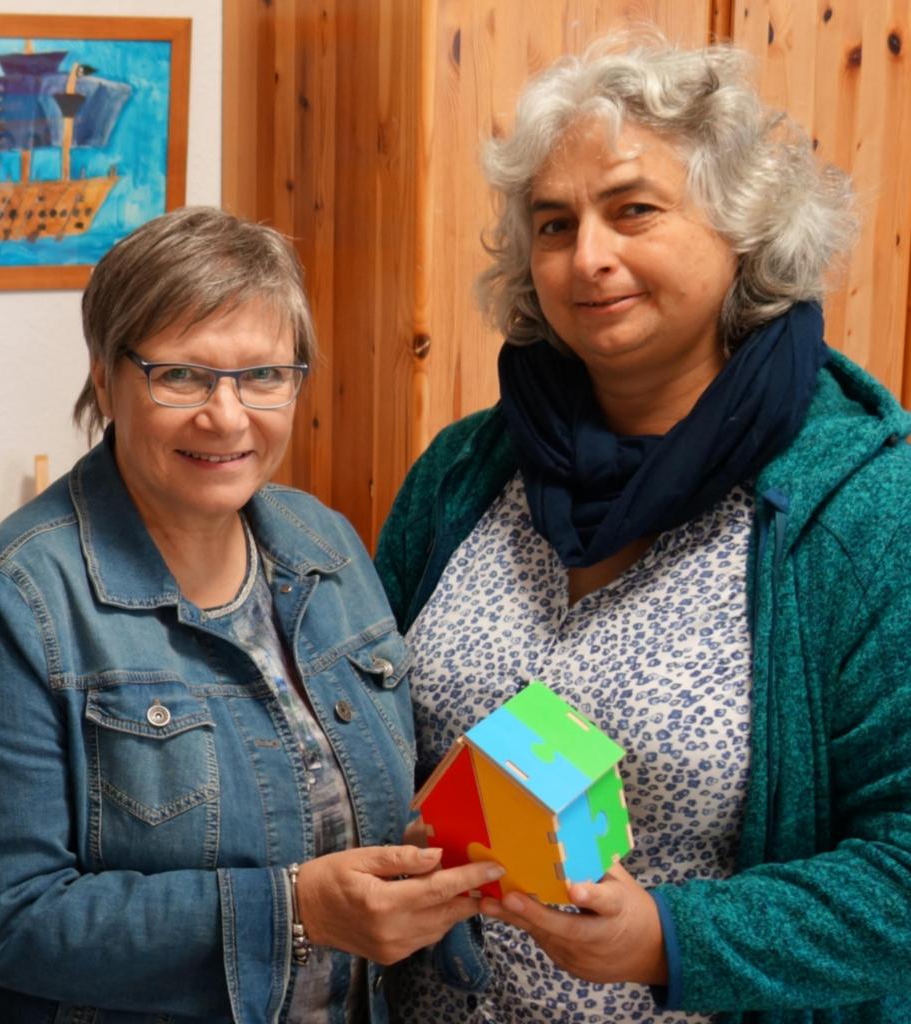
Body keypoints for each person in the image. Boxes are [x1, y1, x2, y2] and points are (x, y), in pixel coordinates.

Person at [377, 37, 911, 1023]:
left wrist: (665, 938)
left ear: (741, 228)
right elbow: (357, 738)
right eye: (551, 223)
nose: (586, 256)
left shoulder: (867, 504)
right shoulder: (459, 473)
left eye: (631, 210)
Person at [0, 207, 502, 1024]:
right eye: (182, 376)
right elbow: (7, 919)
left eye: (264, 376)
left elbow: (376, 805)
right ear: (105, 378)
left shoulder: (327, 544)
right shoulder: (21, 597)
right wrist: (299, 910)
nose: (228, 417)